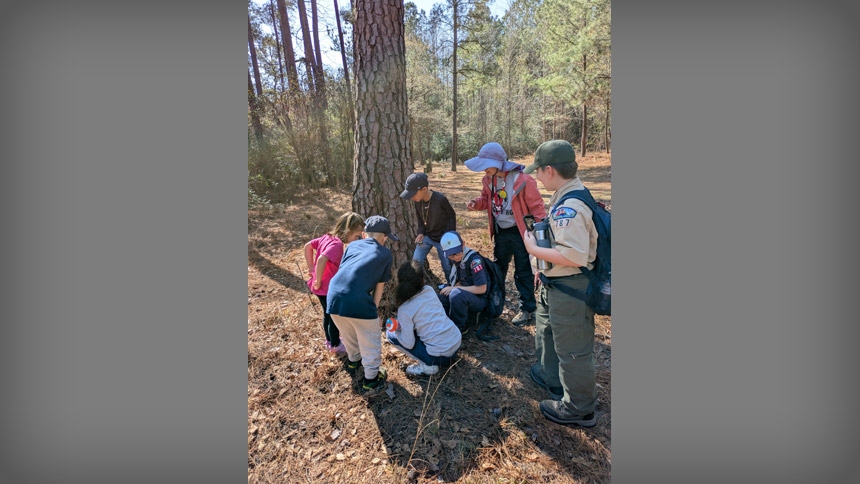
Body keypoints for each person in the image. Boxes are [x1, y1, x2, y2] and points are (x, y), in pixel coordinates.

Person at [521, 139, 599, 428]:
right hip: (559, 285)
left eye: (538, 172)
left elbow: (574, 255)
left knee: (574, 351)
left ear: (549, 170)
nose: (537, 178)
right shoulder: (567, 195)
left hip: (572, 289)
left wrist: (533, 249)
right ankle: (551, 378)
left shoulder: (572, 206)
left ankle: (580, 409)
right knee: (552, 335)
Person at [465, 142, 547, 326]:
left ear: (498, 162)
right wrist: (476, 203)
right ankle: (496, 301)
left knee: (523, 270)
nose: (483, 170)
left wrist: (542, 234)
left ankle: (527, 308)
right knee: (498, 268)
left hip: (520, 232)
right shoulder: (488, 180)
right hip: (501, 231)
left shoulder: (523, 180)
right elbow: (486, 199)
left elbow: (538, 209)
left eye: (486, 165)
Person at [327, 215, 398, 392]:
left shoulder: (351, 246)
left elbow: (344, 269)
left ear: (365, 234)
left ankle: (353, 361)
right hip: (358, 300)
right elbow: (379, 287)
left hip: (333, 296)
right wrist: (373, 310)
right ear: (385, 237)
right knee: (370, 339)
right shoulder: (385, 254)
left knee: (348, 332)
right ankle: (371, 378)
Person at [303, 212, 365, 355]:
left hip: (321, 286)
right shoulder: (337, 245)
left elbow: (308, 246)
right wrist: (318, 280)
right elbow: (322, 259)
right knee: (333, 316)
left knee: (327, 315)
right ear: (347, 231)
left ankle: (331, 340)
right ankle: (335, 345)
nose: (357, 240)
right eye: (356, 236)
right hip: (326, 288)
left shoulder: (327, 237)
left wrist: (310, 267)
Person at [385, 260, 462, 376]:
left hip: (439, 357)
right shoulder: (429, 290)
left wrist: (397, 329)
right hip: (456, 341)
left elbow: (408, 343)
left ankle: (426, 366)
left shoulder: (404, 308)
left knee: (390, 334)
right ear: (421, 279)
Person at [399, 172, 457, 278]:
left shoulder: (440, 199)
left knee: (447, 266)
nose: (411, 197)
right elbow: (420, 219)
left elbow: (451, 216)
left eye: (413, 193)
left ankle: (451, 287)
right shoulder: (417, 201)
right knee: (416, 262)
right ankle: (418, 286)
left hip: (442, 240)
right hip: (427, 237)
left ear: (424, 189)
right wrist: (421, 233)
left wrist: (449, 236)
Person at [437, 231, 488, 335]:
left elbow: (482, 288)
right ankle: (444, 323)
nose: (455, 257)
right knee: (442, 295)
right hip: (465, 292)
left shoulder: (475, 260)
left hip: (479, 299)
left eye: (458, 253)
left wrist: (456, 289)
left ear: (463, 244)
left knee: (456, 295)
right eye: (451, 255)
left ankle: (460, 327)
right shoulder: (453, 260)